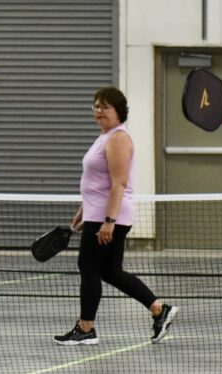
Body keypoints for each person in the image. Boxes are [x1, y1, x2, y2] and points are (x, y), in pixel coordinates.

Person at [54, 87, 178, 346]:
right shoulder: (104, 136)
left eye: (105, 107)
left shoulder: (118, 138)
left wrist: (107, 222)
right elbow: (95, 182)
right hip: (98, 213)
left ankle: (86, 328)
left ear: (118, 111)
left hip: (109, 217)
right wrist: (83, 211)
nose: (99, 111)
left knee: (88, 267)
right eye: (96, 106)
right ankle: (158, 308)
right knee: (110, 271)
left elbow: (118, 183)